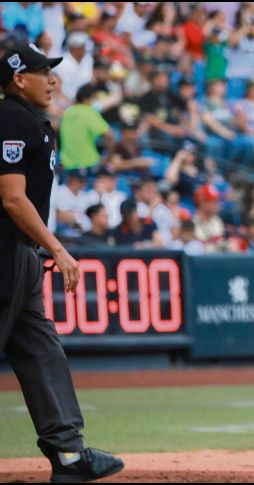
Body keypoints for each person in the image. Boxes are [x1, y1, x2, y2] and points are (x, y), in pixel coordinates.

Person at [0, 43, 123, 482]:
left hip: (21, 255)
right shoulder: (10, 118)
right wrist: (57, 248)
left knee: (41, 351)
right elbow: (11, 198)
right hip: (6, 253)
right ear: (18, 79)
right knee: (40, 350)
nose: (52, 79)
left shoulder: (32, 121)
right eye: (42, 72)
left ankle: (69, 456)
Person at [59, 84, 113, 171]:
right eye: (94, 98)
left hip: (66, 164)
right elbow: (109, 135)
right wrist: (109, 157)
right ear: (87, 98)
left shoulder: (68, 112)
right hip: (87, 164)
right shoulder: (89, 112)